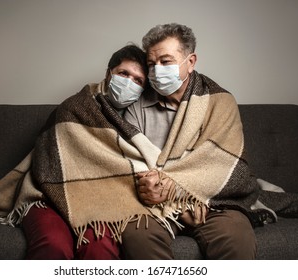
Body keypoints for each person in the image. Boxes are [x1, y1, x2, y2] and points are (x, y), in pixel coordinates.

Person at [121, 23, 257, 259]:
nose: (157, 70)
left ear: (191, 61)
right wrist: (175, 200)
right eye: (152, 64)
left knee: (236, 238)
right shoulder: (136, 107)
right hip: (152, 202)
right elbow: (132, 162)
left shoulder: (220, 102)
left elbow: (224, 164)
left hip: (212, 202)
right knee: (136, 234)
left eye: (166, 61)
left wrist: (186, 194)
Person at [19, 44, 148, 260]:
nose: (129, 82)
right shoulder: (74, 107)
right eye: (124, 73)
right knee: (53, 244)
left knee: (100, 247)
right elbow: (49, 157)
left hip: (102, 201)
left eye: (138, 80)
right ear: (109, 73)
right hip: (49, 195)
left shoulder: (137, 122)